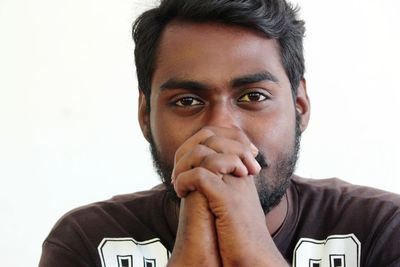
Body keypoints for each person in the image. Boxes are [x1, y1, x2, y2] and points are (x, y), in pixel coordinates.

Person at [39, 0, 400, 266]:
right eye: (186, 101)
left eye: (253, 96)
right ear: (145, 116)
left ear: (300, 106)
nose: (220, 130)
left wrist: (254, 252)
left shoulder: (383, 228)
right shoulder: (86, 242)